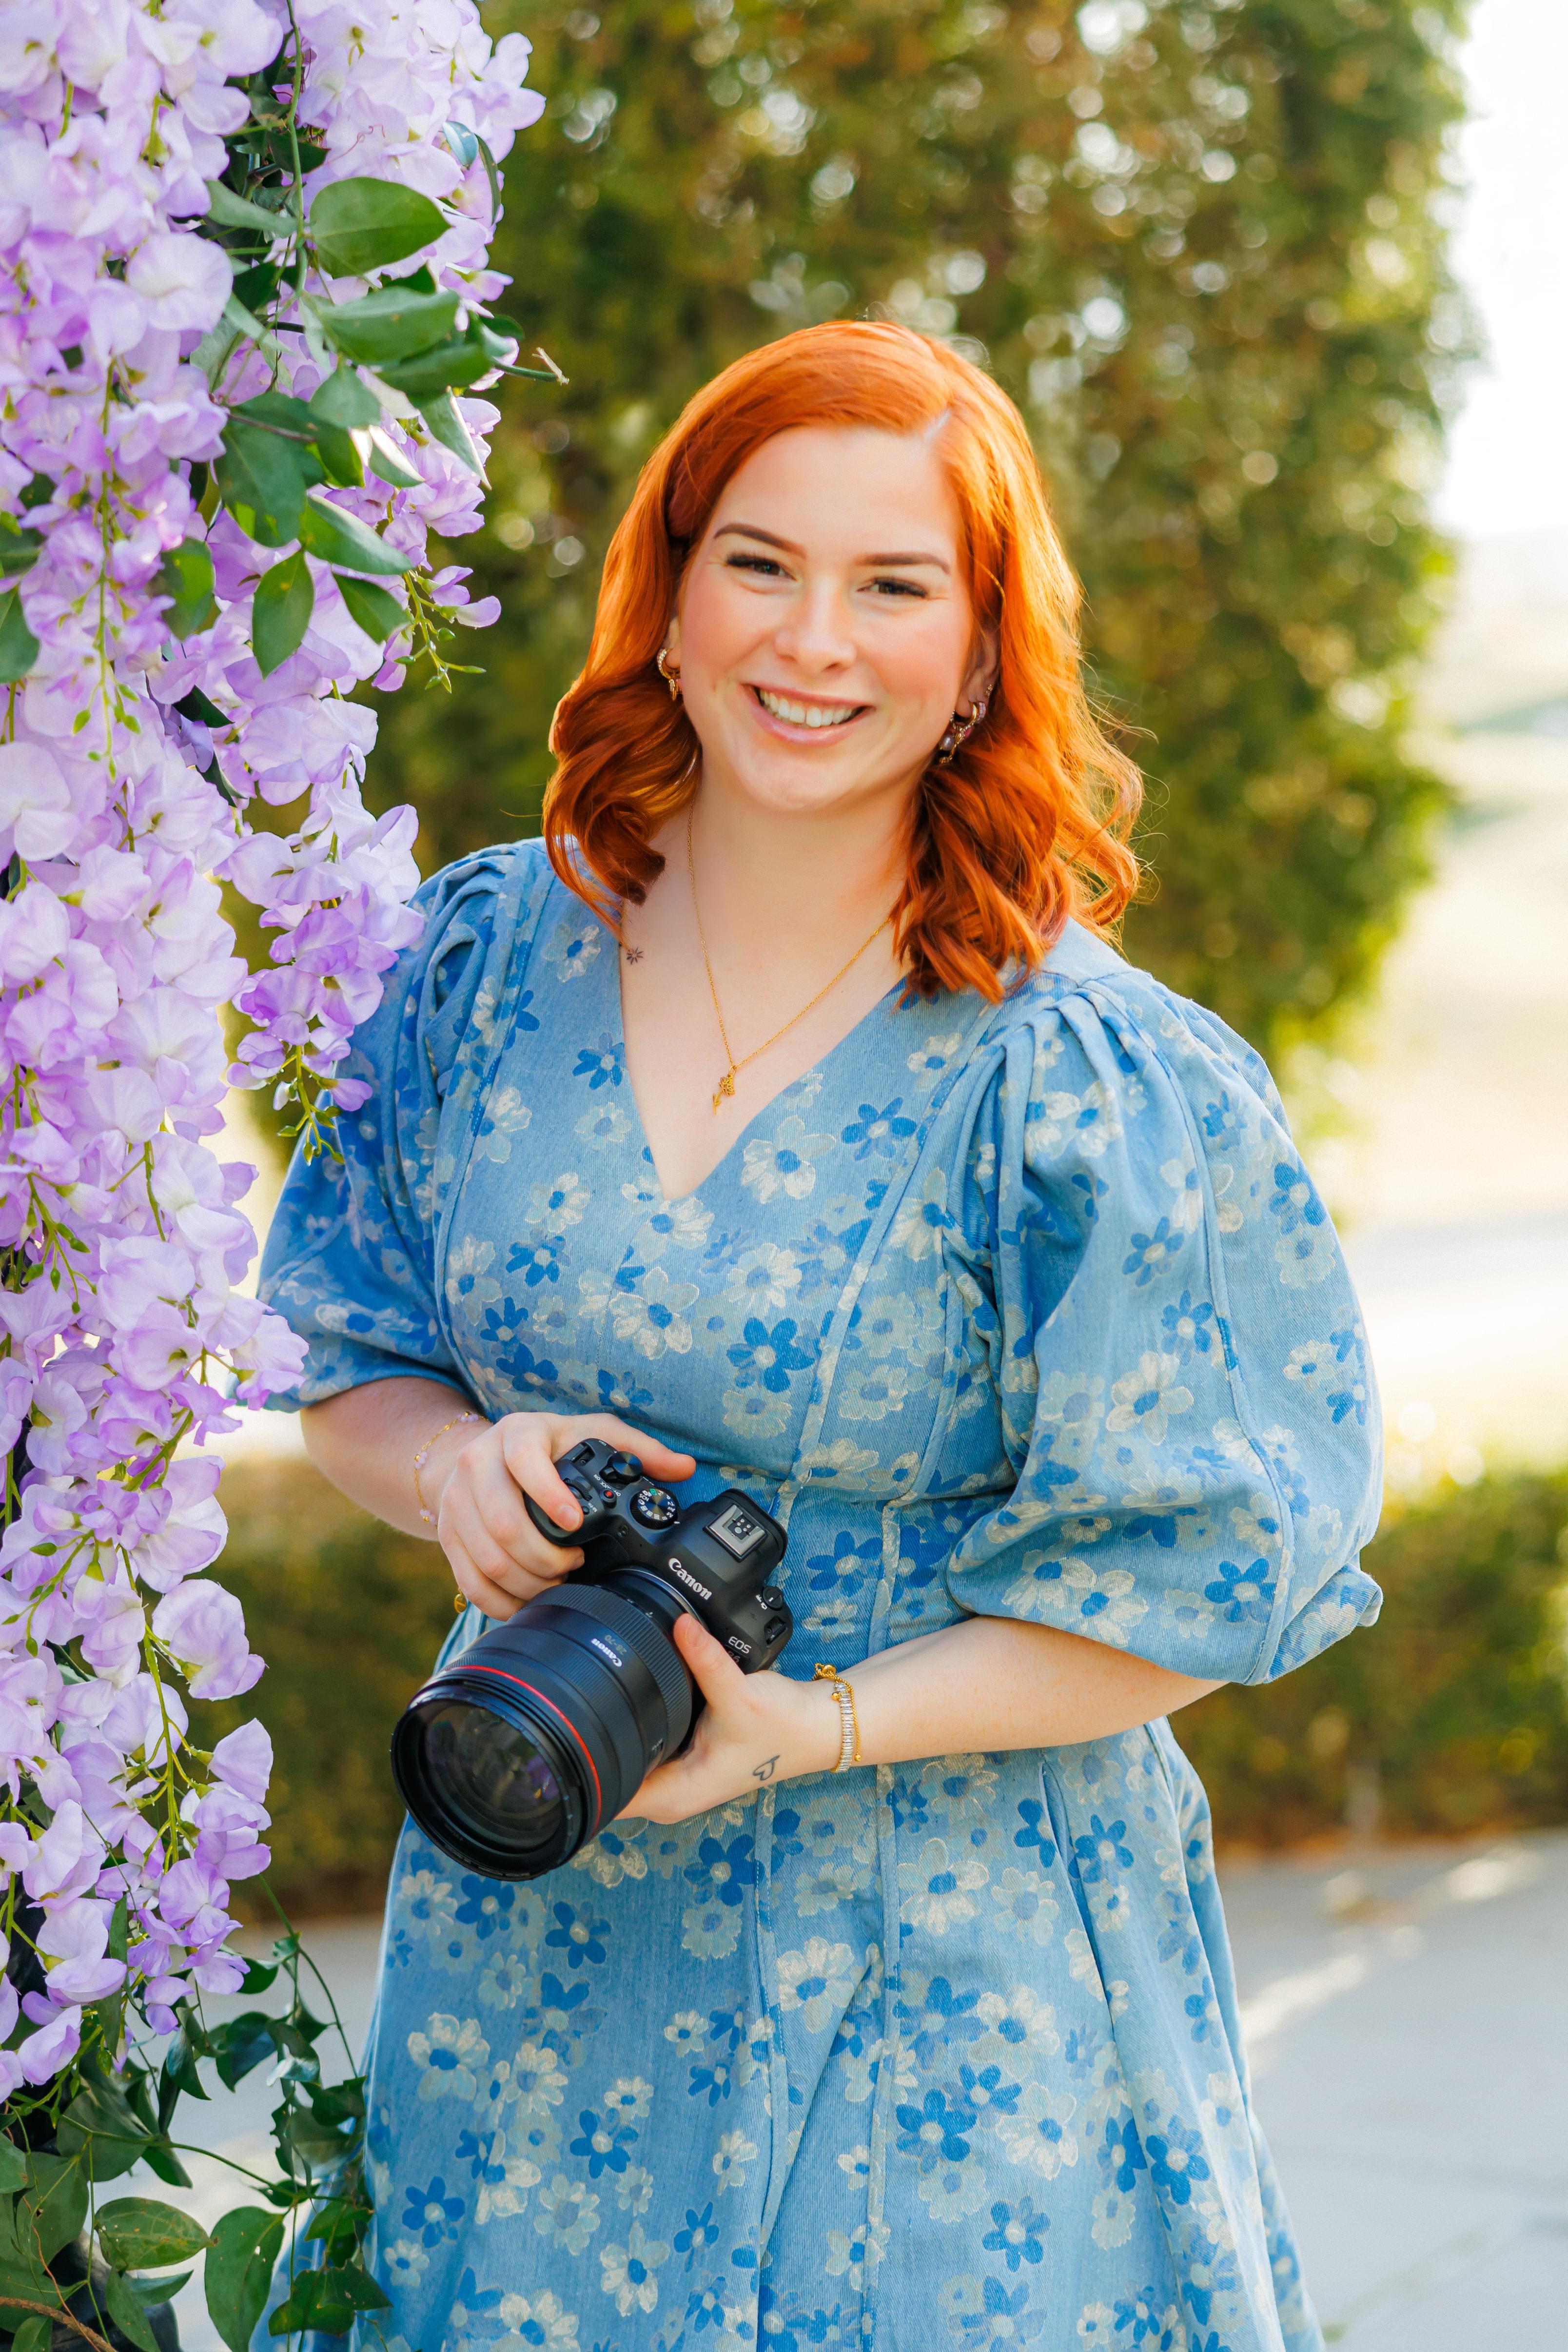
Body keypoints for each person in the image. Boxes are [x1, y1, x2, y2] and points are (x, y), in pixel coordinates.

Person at [258, 321, 1382, 2352]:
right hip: (547, 1888)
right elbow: (351, 1338)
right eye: (761, 562)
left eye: (896, 586)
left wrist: (827, 1723)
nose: (815, 640)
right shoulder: (476, 961)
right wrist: (455, 1471)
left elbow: (1203, 1575)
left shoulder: (1089, 1077)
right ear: (668, 597)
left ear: (980, 659)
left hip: (954, 1952)